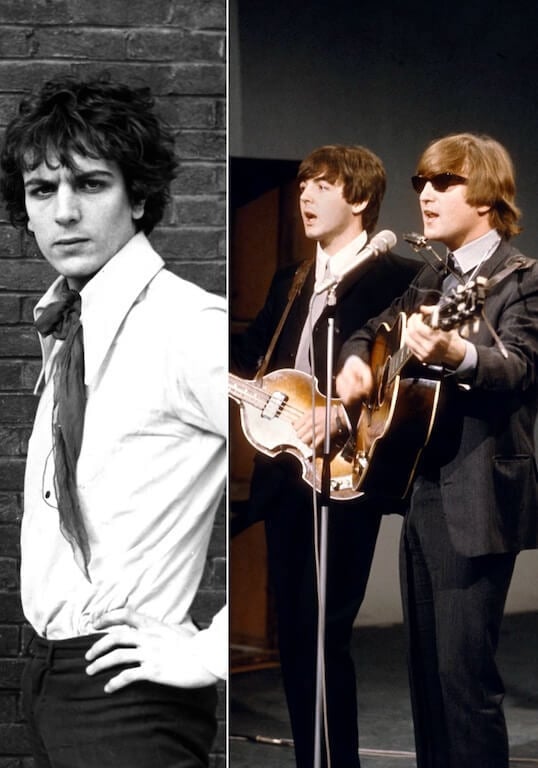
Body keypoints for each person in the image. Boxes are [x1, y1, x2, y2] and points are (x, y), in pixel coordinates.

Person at [0, 75, 226, 768]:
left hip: (130, 701)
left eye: (90, 185)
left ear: (140, 196)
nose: (64, 212)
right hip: (50, 680)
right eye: (43, 191)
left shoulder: (188, 325)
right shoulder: (68, 325)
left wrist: (208, 650)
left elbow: (312, 480)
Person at [336, 133, 538, 768]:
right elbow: (373, 330)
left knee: (463, 681)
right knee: (425, 676)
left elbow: (521, 367)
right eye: (424, 181)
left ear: (485, 196)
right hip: (420, 490)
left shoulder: (518, 278)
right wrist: (354, 366)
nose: (425, 194)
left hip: (477, 498)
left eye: (444, 182)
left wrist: (461, 354)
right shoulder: (432, 275)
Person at [230, 145, 417, 768]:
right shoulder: (292, 279)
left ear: (359, 199)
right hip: (286, 477)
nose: (305, 195)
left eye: (323, 185)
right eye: (304, 183)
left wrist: (342, 410)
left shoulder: (398, 276)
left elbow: (402, 375)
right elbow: (256, 351)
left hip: (347, 476)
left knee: (326, 635)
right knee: (297, 643)